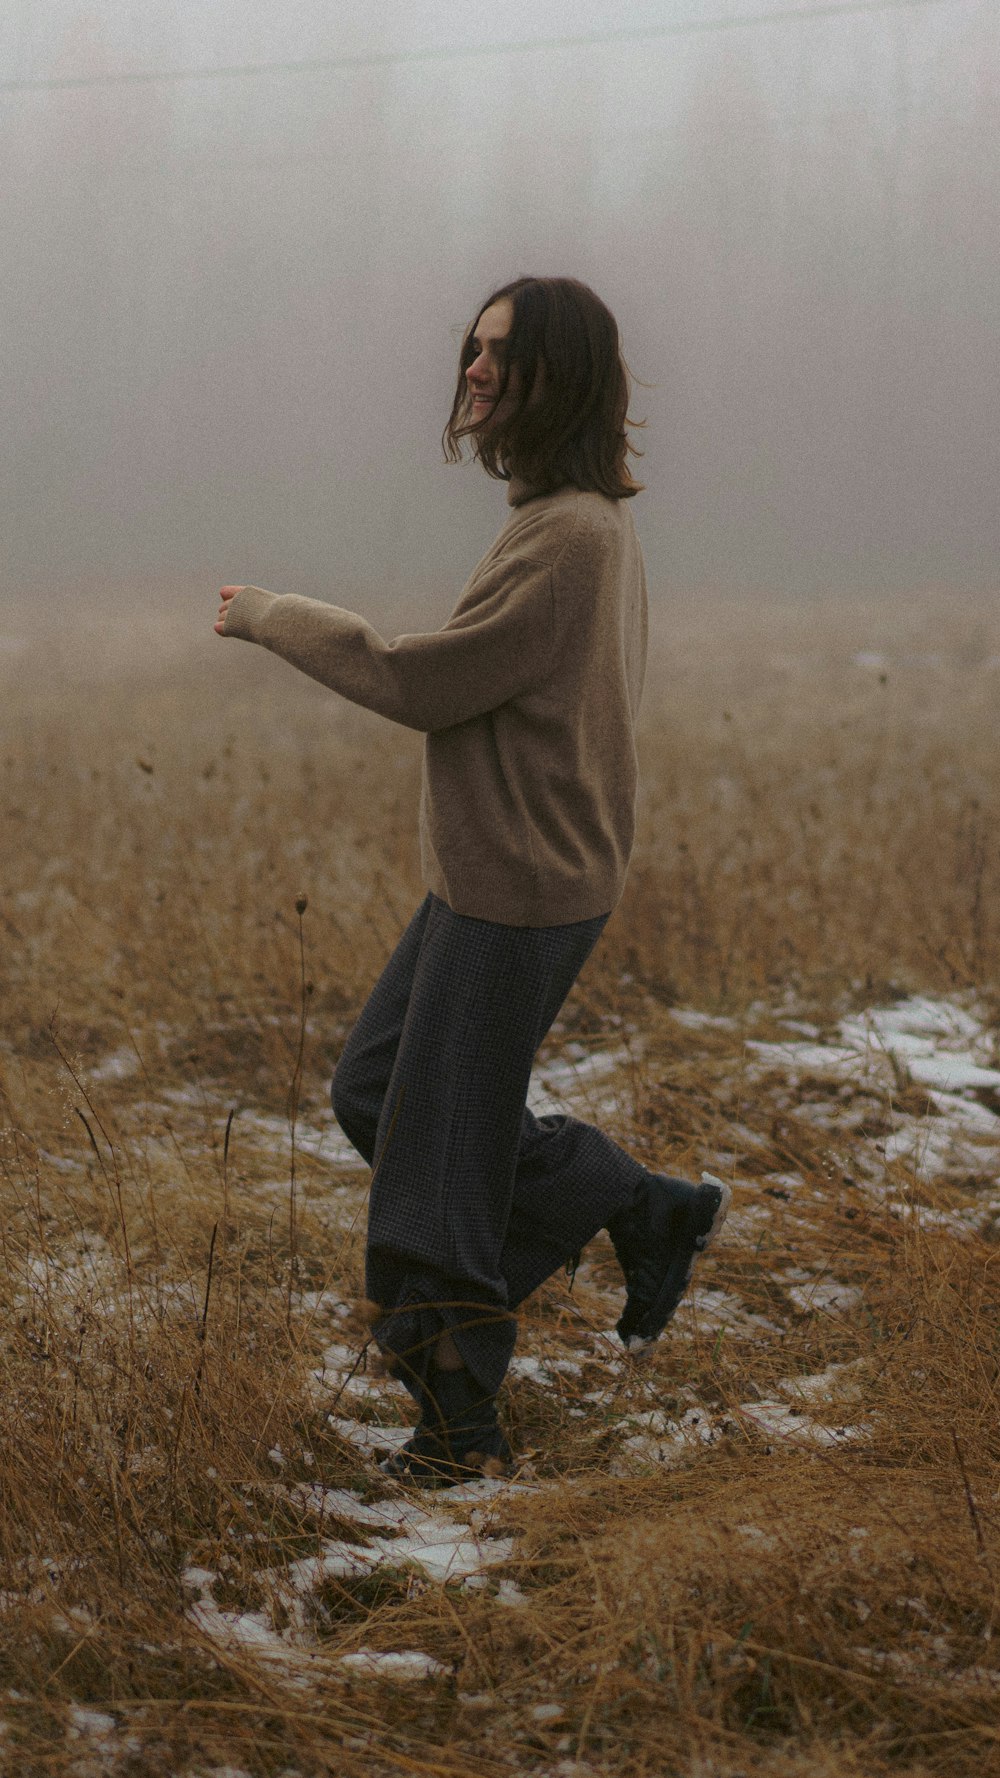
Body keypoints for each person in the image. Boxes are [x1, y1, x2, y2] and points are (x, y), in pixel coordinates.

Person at [215, 275, 730, 1485]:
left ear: (566, 376)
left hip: (520, 886)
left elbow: (425, 681)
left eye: (504, 352)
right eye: (473, 346)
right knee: (379, 1088)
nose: (477, 369)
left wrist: (274, 615)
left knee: (432, 1165)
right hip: (497, 870)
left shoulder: (568, 536)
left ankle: (457, 1423)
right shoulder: (568, 516)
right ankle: (635, 1199)